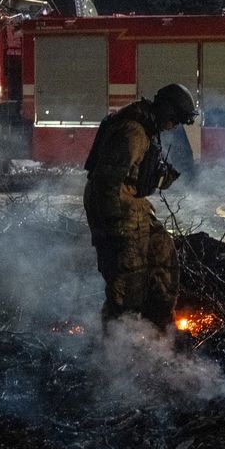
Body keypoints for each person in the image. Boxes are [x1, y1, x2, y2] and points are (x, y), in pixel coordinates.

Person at [82, 83, 197, 331]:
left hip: (131, 204)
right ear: (167, 112)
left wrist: (163, 176)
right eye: (175, 120)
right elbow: (107, 181)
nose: (174, 127)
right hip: (115, 208)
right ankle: (116, 345)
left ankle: (157, 326)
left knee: (162, 253)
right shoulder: (133, 132)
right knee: (127, 280)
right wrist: (115, 234)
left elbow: (138, 176)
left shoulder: (147, 127)